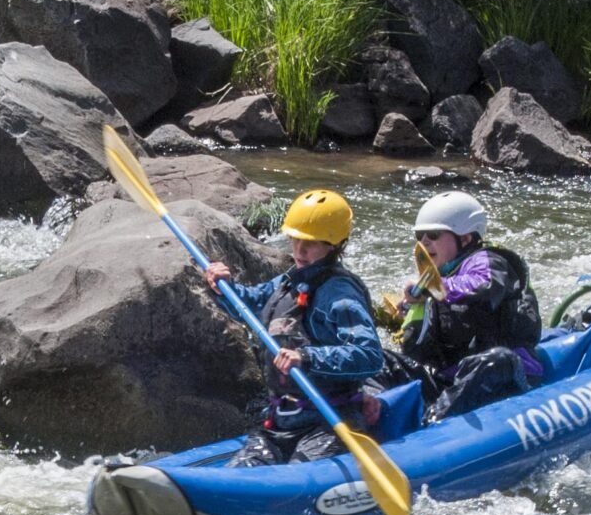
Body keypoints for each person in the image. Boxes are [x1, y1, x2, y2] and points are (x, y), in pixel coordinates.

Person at [203, 188, 386, 466]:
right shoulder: (289, 281)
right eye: (295, 238)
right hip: (280, 421)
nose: (299, 250)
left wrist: (308, 357)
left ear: (333, 245)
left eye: (310, 243)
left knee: (297, 473)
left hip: (331, 422)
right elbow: (249, 305)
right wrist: (223, 287)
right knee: (240, 470)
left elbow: (370, 356)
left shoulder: (340, 294)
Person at [386, 191, 544, 422]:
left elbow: (485, 283)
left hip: (501, 373)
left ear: (466, 238)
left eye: (434, 234)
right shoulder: (437, 281)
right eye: (420, 236)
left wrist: (432, 289)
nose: (424, 243)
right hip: (451, 380)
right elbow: (417, 352)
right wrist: (413, 315)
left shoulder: (487, 261)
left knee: (495, 359)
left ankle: (434, 426)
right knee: (385, 361)